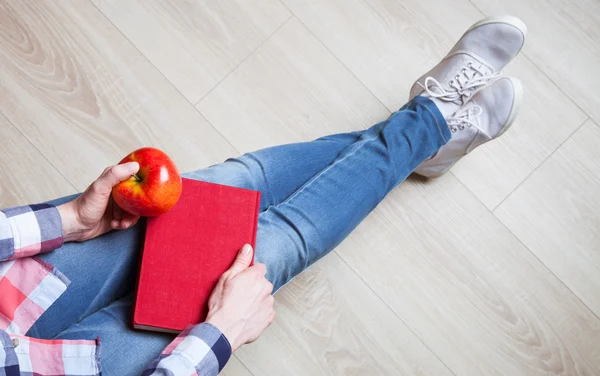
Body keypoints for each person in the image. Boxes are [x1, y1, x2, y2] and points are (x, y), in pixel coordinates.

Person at [0, 16, 526, 376]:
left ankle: (424, 138)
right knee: (274, 241)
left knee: (235, 187)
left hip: (9, 290)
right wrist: (220, 333)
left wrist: (68, 219)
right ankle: (429, 121)